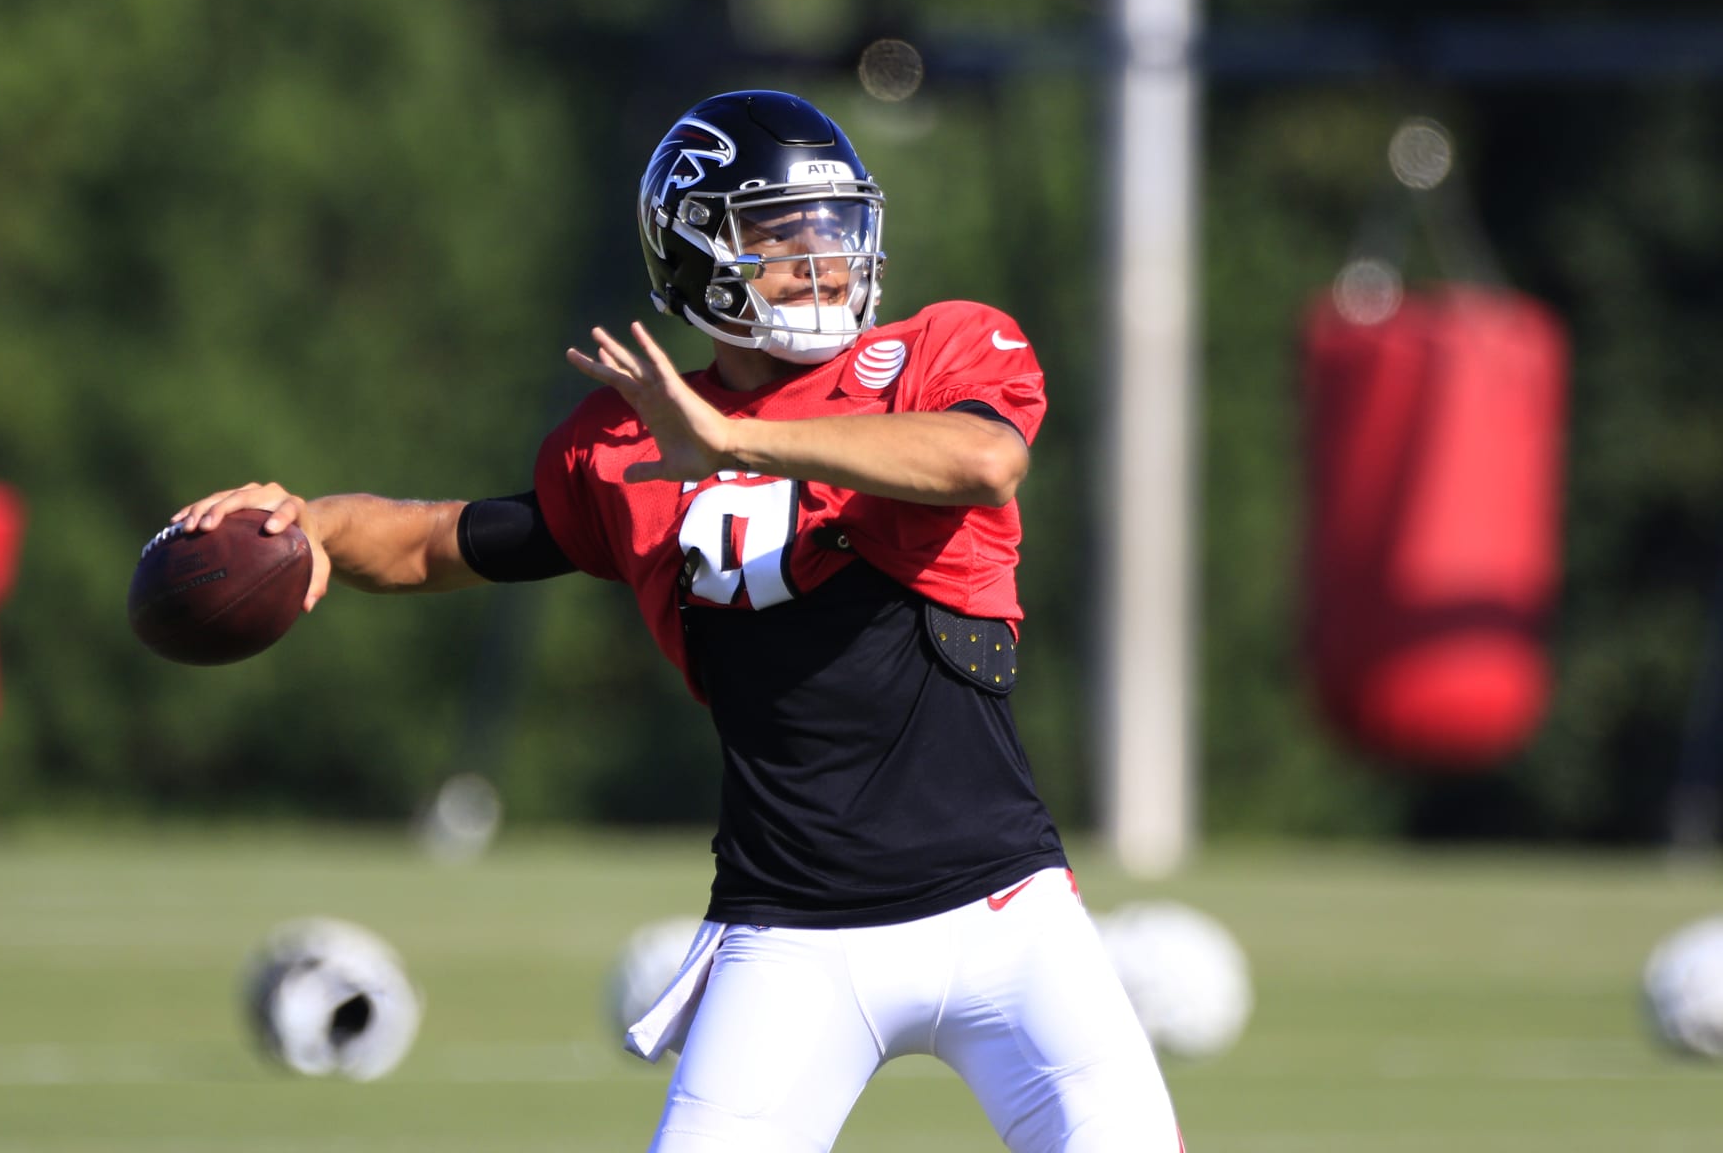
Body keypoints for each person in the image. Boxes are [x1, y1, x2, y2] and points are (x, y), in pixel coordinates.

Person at [174, 89, 1183, 1152]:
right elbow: (445, 542)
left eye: (836, 230)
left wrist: (737, 445)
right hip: (791, 938)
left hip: (1007, 917)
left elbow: (984, 462)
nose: (823, 260)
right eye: (781, 235)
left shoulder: (933, 356)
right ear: (698, 255)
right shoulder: (628, 443)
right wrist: (307, 525)